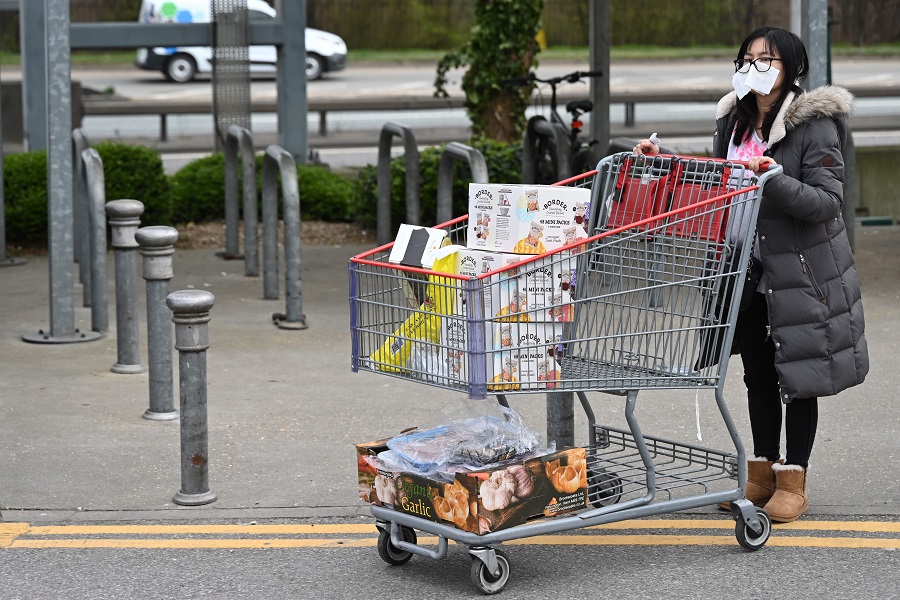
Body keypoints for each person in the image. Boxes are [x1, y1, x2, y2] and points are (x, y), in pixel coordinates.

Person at [634, 26, 868, 522]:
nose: (755, 66)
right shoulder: (733, 122)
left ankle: (794, 478)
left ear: (791, 69)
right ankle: (759, 475)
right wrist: (664, 165)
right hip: (742, 268)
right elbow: (719, 181)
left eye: (768, 59)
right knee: (757, 374)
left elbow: (828, 203)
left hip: (802, 272)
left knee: (799, 376)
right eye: (748, 58)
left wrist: (775, 179)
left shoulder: (815, 124)